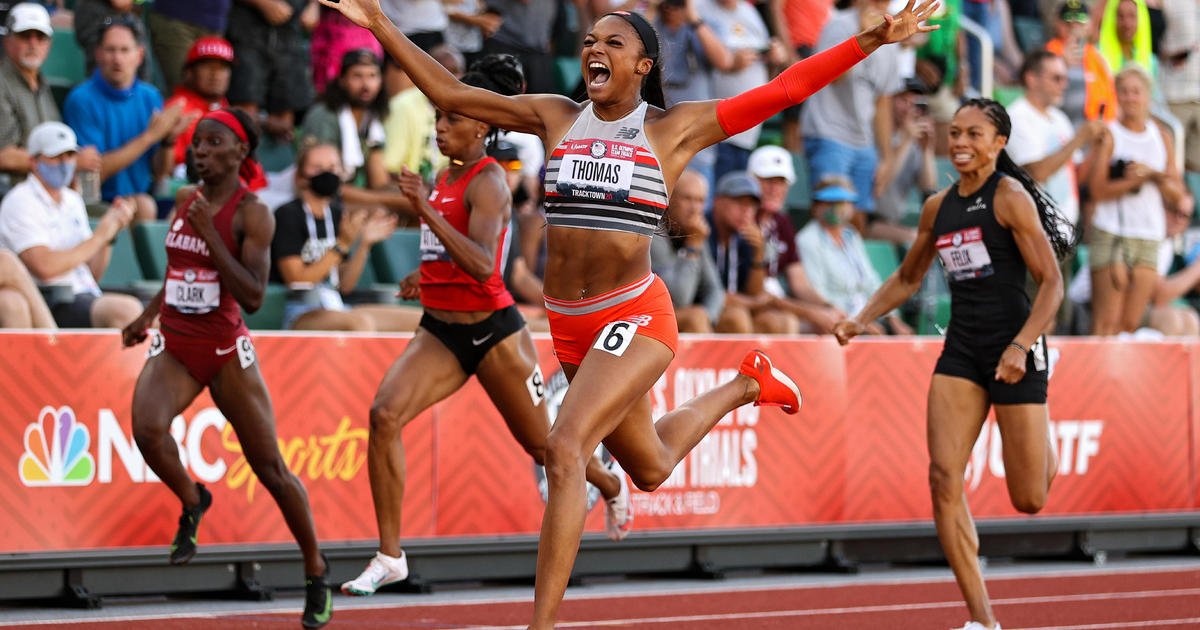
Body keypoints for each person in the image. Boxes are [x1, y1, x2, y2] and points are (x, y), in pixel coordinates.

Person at [319, 0, 935, 625]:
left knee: (564, 449)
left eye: (613, 43)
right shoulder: (554, 115)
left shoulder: (674, 128)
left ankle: (541, 625)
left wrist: (874, 39)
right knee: (651, 467)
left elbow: (786, 87)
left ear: (643, 63)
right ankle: (749, 382)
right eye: (590, 40)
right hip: (569, 322)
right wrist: (378, 23)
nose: (596, 49)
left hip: (634, 314)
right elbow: (450, 89)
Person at [339, 55, 630, 597]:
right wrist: (418, 277)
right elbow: (449, 252)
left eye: (450, 118)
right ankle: (390, 554)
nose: (440, 127)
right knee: (383, 415)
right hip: (440, 331)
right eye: (438, 119)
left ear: (482, 125)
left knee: (543, 447)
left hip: (494, 332)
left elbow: (481, 265)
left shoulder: (489, 179)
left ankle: (610, 481)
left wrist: (423, 211)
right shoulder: (442, 178)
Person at [834, 98, 1074, 630]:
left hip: (1016, 348)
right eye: (955, 133)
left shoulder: (1010, 198)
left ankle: (1043, 436)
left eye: (974, 134)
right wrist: (860, 318)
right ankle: (983, 620)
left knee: (1029, 498)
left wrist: (1020, 347)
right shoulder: (936, 207)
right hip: (962, 349)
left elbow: (1052, 283)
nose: (961, 142)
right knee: (943, 477)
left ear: (998, 144)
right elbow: (907, 277)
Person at [119, 108, 333, 629]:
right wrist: (147, 316)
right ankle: (194, 500)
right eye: (196, 143)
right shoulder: (184, 200)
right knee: (146, 429)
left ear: (241, 154)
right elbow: (177, 268)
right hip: (176, 341)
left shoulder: (253, 213)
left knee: (272, 471)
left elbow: (255, 296)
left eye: (213, 143)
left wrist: (210, 235)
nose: (200, 151)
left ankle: (315, 570)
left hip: (224, 348)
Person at [0, 122, 143, 328]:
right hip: (52, 296)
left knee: (146, 315)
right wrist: (99, 237)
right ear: (34, 161)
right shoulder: (20, 200)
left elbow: (93, 273)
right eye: (56, 157)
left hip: (83, 293)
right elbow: (45, 268)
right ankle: (55, 343)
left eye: (69, 156)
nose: (64, 163)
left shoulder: (72, 199)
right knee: (126, 310)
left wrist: (110, 232)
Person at [271, 142, 423, 331]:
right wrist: (342, 244)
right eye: (318, 168)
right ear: (300, 177)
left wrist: (364, 244)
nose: (327, 173)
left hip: (338, 304)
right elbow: (298, 280)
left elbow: (345, 285)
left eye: (333, 167)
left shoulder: (336, 214)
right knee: (359, 323)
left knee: (421, 322)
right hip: (301, 310)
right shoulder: (288, 215)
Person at [1085, 65, 1184, 335]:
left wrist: (1151, 174)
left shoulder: (1161, 136)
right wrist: (1134, 180)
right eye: (1124, 92)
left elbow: (1177, 194)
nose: (1130, 98)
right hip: (1112, 232)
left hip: (1148, 234)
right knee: (1106, 323)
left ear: (1147, 95)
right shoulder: (1110, 134)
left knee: (1131, 323)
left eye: (1136, 92)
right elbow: (1096, 190)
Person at [63, 15, 191, 221]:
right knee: (144, 205)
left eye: (124, 50)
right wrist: (150, 136)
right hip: (99, 203)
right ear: (97, 54)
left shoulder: (150, 96)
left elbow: (160, 173)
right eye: (110, 50)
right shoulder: (81, 99)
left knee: (191, 202)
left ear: (139, 55)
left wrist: (168, 140)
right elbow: (96, 173)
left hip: (144, 196)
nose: (117, 59)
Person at [797, 176, 914, 335]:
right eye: (831, 202)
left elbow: (870, 281)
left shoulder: (851, 236)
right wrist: (858, 323)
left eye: (844, 202)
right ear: (816, 206)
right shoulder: (807, 240)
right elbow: (819, 295)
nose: (838, 208)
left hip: (867, 316)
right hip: (837, 320)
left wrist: (892, 319)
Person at [650, 168, 725, 332]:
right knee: (695, 318)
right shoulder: (655, 232)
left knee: (734, 317)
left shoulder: (692, 231)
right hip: (646, 316)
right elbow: (680, 298)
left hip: (677, 315)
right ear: (669, 198)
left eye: (700, 201)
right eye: (687, 199)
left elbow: (715, 289)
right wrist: (692, 247)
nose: (694, 208)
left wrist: (709, 317)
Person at [164, 36, 235, 176]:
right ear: (189, 73)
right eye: (208, 66)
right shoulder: (177, 108)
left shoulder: (225, 107)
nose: (216, 75)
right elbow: (170, 172)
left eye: (222, 68)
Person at [1045, 0, 1116, 128]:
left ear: (1089, 25)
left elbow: (1110, 94)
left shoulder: (1096, 56)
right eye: (1067, 21)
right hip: (1056, 124)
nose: (1074, 26)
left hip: (1093, 125)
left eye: (1080, 21)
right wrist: (1064, 62)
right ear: (1057, 23)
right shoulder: (1048, 53)